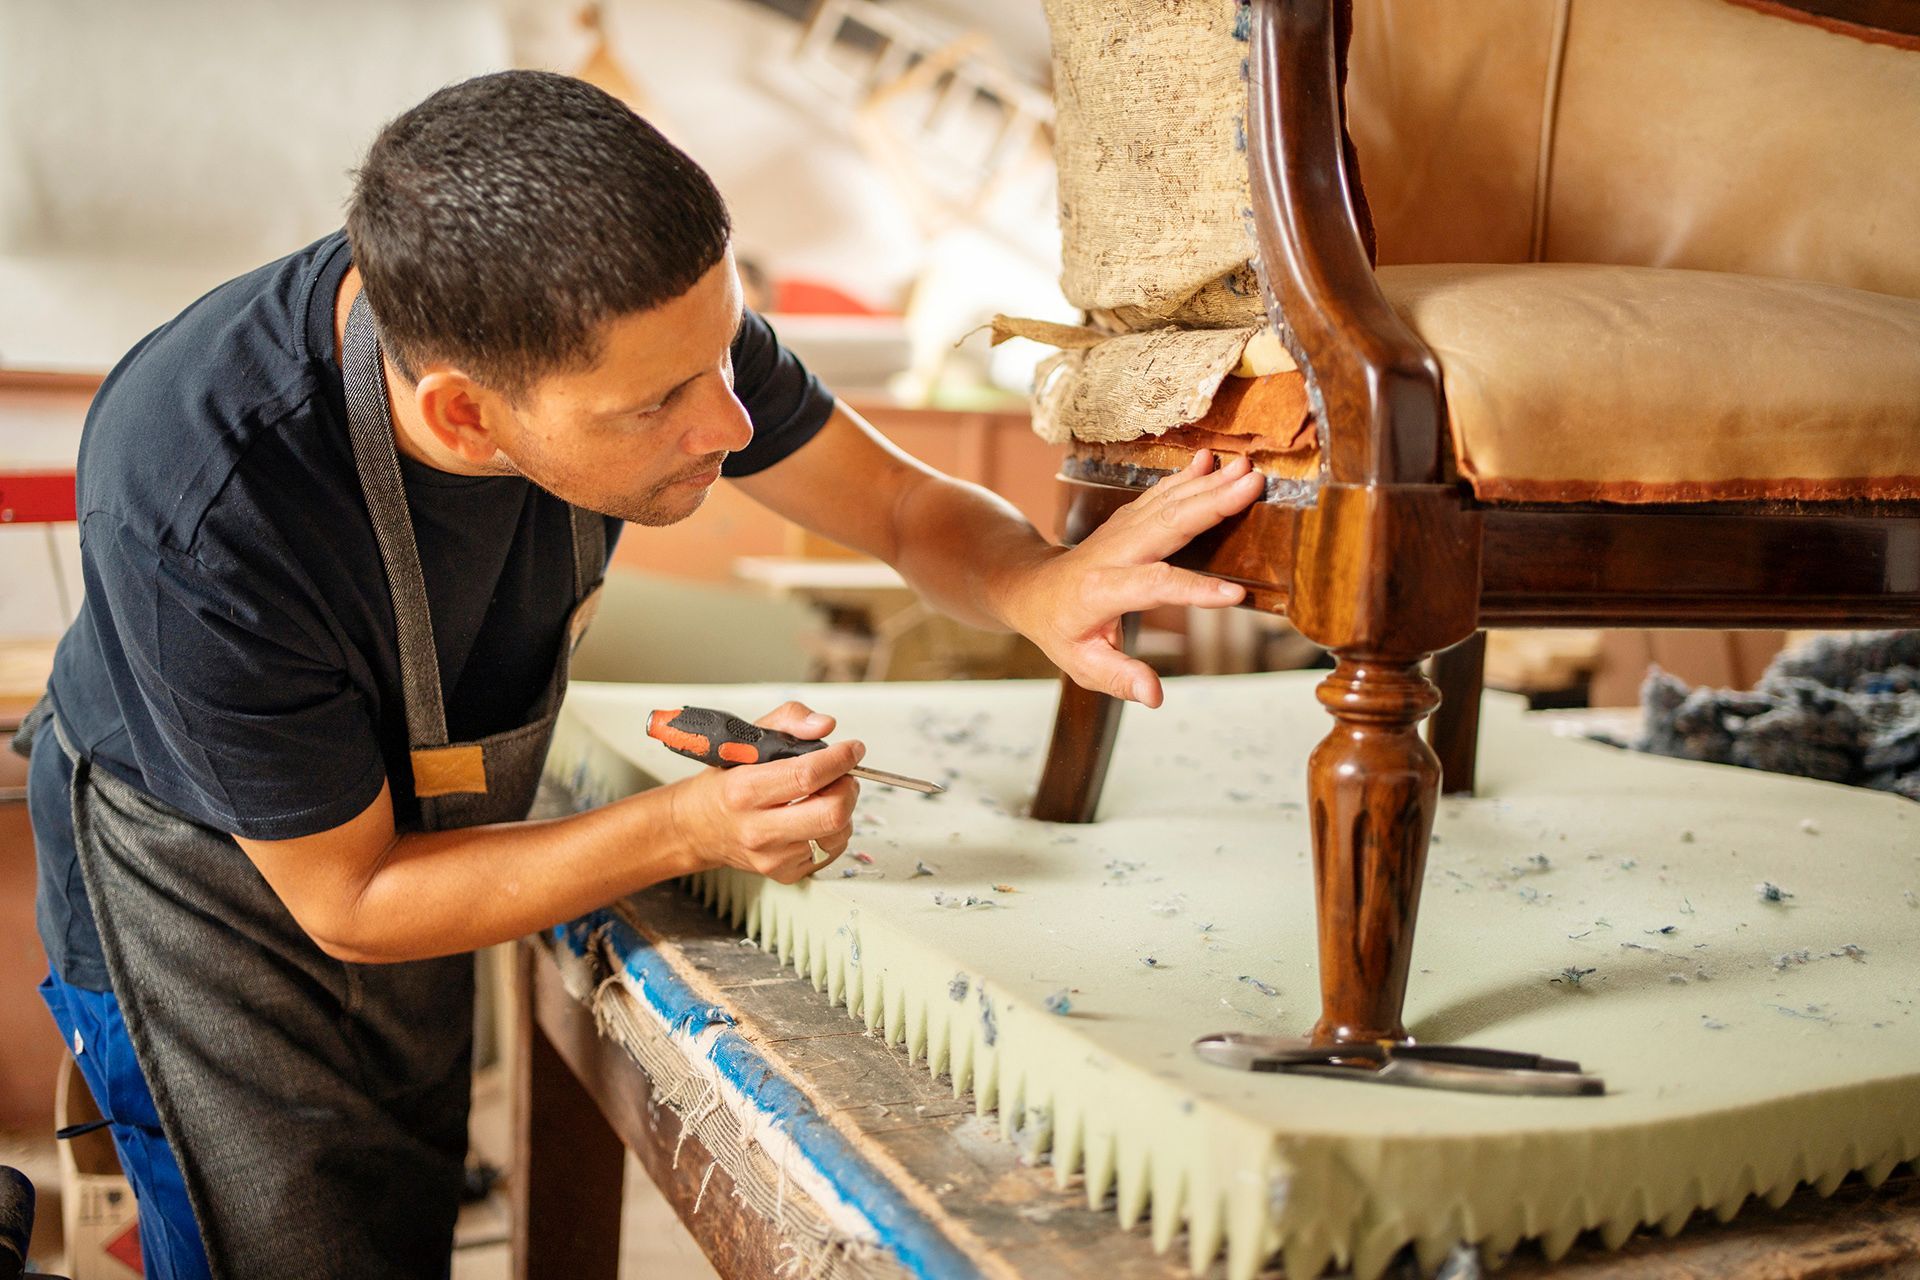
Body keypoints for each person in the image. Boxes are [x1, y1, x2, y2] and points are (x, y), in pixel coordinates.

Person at [18, 70, 1263, 1278]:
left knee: (392, 1205)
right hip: (204, 881)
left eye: (725, 356)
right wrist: (687, 826)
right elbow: (353, 898)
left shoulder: (646, 326)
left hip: (403, 832)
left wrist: (1035, 580)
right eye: (663, 403)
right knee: (287, 1237)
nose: (729, 421)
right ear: (463, 417)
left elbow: (891, 498)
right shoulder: (207, 497)